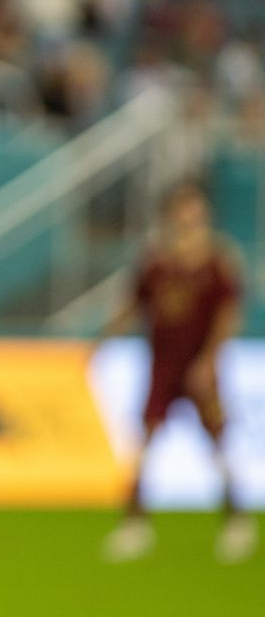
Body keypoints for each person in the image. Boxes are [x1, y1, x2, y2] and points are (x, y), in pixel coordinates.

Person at [99, 182, 256, 564]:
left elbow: (227, 315)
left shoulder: (218, 262)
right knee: (146, 439)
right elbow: (134, 305)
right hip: (163, 366)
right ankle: (136, 522)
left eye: (195, 213)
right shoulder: (157, 263)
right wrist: (103, 339)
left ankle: (236, 518)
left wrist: (210, 359)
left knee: (217, 440)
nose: (188, 221)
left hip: (198, 366)